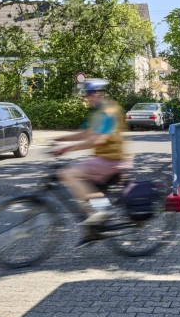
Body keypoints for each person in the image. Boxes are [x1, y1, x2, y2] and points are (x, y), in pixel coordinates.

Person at [51, 79, 130, 231]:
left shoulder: (108, 111)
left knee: (67, 174)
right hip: (103, 158)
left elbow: (98, 139)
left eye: (89, 95)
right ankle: (93, 227)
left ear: (97, 94)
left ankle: (102, 210)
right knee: (82, 183)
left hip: (111, 159)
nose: (87, 99)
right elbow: (84, 133)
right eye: (87, 96)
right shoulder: (97, 111)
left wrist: (67, 149)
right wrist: (59, 139)